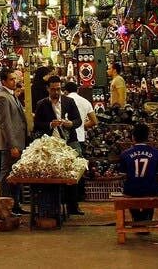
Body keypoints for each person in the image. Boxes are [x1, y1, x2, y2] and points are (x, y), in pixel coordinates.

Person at [32, 76, 83, 216]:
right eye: (53, 89)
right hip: (51, 144)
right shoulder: (42, 104)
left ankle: (73, 205)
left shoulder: (69, 101)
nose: (56, 92)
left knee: (72, 174)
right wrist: (50, 124)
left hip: (69, 142)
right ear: (47, 89)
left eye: (59, 89)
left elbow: (78, 120)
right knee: (52, 175)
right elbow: (37, 125)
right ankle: (53, 205)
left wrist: (70, 124)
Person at [0, 68, 27, 216]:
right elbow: (5, 123)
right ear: (4, 81)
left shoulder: (11, 95)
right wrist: (12, 144)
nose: (15, 81)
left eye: (15, 79)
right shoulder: (2, 97)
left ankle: (15, 205)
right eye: (11, 79)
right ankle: (5, 206)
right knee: (7, 175)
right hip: (10, 144)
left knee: (15, 174)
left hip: (18, 141)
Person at [119, 122, 158, 225]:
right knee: (153, 189)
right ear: (147, 137)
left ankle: (137, 217)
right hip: (151, 189)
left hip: (131, 190)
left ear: (133, 137)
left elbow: (123, 177)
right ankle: (147, 218)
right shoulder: (156, 153)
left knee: (129, 190)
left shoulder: (125, 154)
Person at [64, 80, 97, 216]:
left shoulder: (63, 101)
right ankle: (76, 201)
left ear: (65, 91)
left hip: (65, 139)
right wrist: (82, 126)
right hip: (79, 140)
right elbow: (94, 121)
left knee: (64, 171)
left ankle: (65, 201)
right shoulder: (85, 101)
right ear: (77, 90)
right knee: (77, 172)